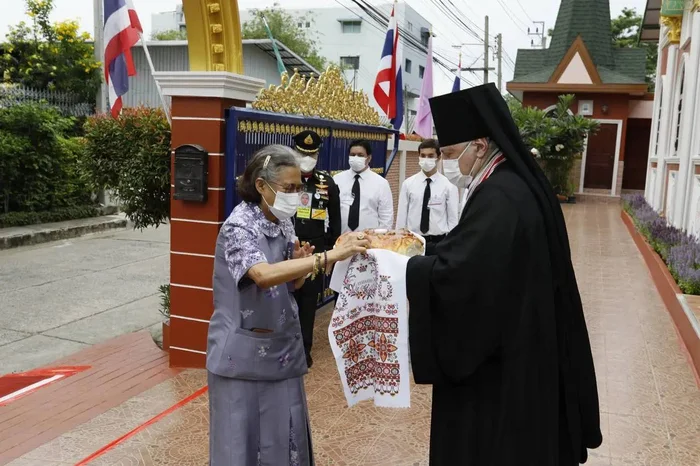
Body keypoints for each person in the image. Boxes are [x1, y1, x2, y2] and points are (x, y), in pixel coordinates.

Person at [405, 84, 602, 465]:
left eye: (448, 153)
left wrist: (409, 268)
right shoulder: (511, 182)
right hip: (524, 338)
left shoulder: (500, 197)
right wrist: (430, 252)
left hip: (501, 367)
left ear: (478, 145)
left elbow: (465, 279)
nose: (446, 162)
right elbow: (477, 254)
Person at [206, 145, 370, 466]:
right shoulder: (239, 227)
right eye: (289, 189)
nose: (296, 195)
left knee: (284, 440)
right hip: (242, 358)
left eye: (299, 188)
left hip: (281, 353)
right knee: (243, 445)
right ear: (261, 186)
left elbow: (286, 285)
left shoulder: (282, 222)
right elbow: (263, 276)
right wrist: (328, 257)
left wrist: (299, 266)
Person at [291, 130, 341, 368]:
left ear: (318, 154)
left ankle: (304, 350)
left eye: (311, 154)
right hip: (289, 247)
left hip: (315, 250)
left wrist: (330, 252)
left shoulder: (326, 182)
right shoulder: (284, 180)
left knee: (309, 300)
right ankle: (286, 347)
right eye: (301, 153)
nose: (306, 158)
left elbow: (336, 220)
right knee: (285, 297)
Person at [395, 139, 459, 255]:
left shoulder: (449, 186)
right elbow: (401, 217)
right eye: (423, 156)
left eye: (430, 156)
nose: (426, 160)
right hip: (413, 240)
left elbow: (453, 220)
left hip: (438, 242)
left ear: (438, 157)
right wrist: (399, 240)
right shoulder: (408, 184)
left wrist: (450, 245)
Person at [334, 139, 394, 233]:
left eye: (360, 155)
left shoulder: (381, 183)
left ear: (369, 158)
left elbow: (386, 217)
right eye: (352, 155)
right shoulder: (337, 180)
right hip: (341, 239)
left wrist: (380, 238)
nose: (356, 158)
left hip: (369, 240)